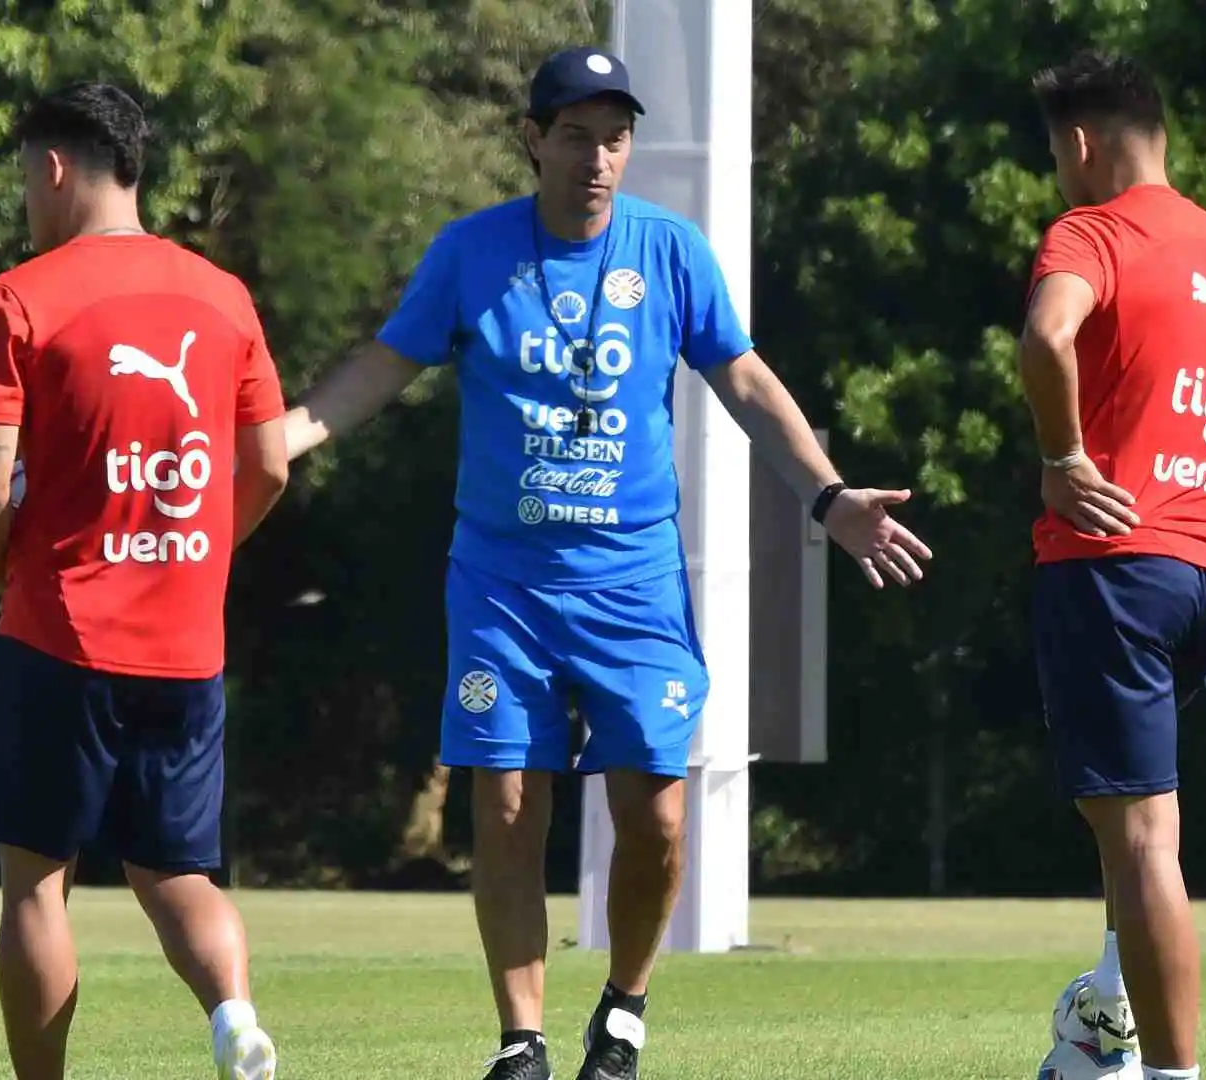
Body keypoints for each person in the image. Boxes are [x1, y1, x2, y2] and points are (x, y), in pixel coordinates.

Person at [280, 45, 931, 1080]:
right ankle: (521, 1041)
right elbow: (385, 363)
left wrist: (829, 496)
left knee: (657, 815)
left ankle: (623, 1009)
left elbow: (746, 381)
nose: (597, 159)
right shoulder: (470, 252)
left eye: (615, 139)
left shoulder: (670, 252)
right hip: (502, 585)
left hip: (632, 584)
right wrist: (285, 437)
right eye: (576, 136)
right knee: (504, 805)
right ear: (533, 140)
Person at [0, 82, 289, 1080]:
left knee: (34, 885)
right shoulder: (223, 297)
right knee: (177, 872)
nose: (28, 199)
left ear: (56, 167)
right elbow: (268, 466)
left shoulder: (17, 298)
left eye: (28, 177)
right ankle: (234, 1017)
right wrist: (200, 560)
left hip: (58, 636)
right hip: (186, 648)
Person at [1018, 50, 1206, 1080]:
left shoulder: (1091, 231)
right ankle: (1106, 1019)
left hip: (1117, 565)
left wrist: (1062, 457)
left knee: (1144, 836)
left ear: (1080, 143)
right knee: (1129, 825)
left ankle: (1168, 1072)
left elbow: (1047, 337)